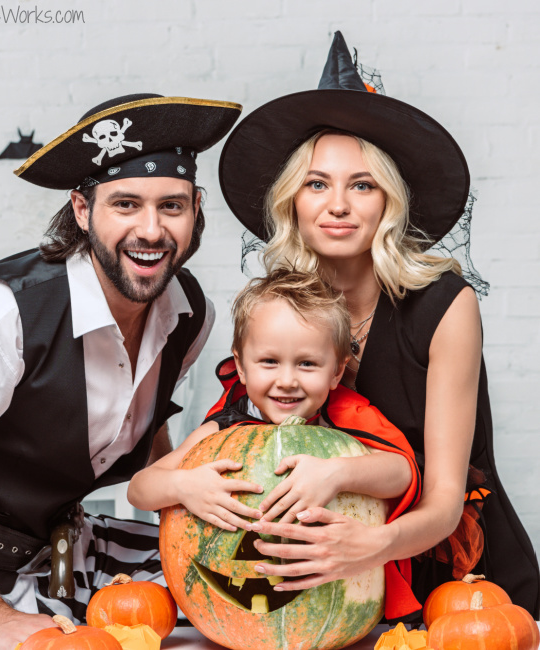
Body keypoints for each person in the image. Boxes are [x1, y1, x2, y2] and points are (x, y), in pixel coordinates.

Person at [0, 93, 242, 650]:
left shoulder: (189, 314)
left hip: (59, 559)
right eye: (125, 204)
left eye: (171, 206)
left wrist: (184, 492)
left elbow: (141, 422)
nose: (151, 231)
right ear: (82, 210)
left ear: (196, 208)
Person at [217, 32, 540, 619]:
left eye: (361, 184)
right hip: (327, 589)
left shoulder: (445, 306)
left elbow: (443, 501)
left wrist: (366, 548)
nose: (337, 204)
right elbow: (247, 444)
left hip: (456, 581)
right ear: (292, 200)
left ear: (389, 201)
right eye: (317, 183)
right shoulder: (279, 311)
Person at [129, 267, 423, 620]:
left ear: (336, 371)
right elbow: (139, 489)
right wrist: (182, 485)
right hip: (234, 614)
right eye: (269, 361)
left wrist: (337, 474)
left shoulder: (348, 418)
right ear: (240, 367)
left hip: (336, 600)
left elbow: (403, 472)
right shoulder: (224, 428)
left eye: (307, 364)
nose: (287, 381)